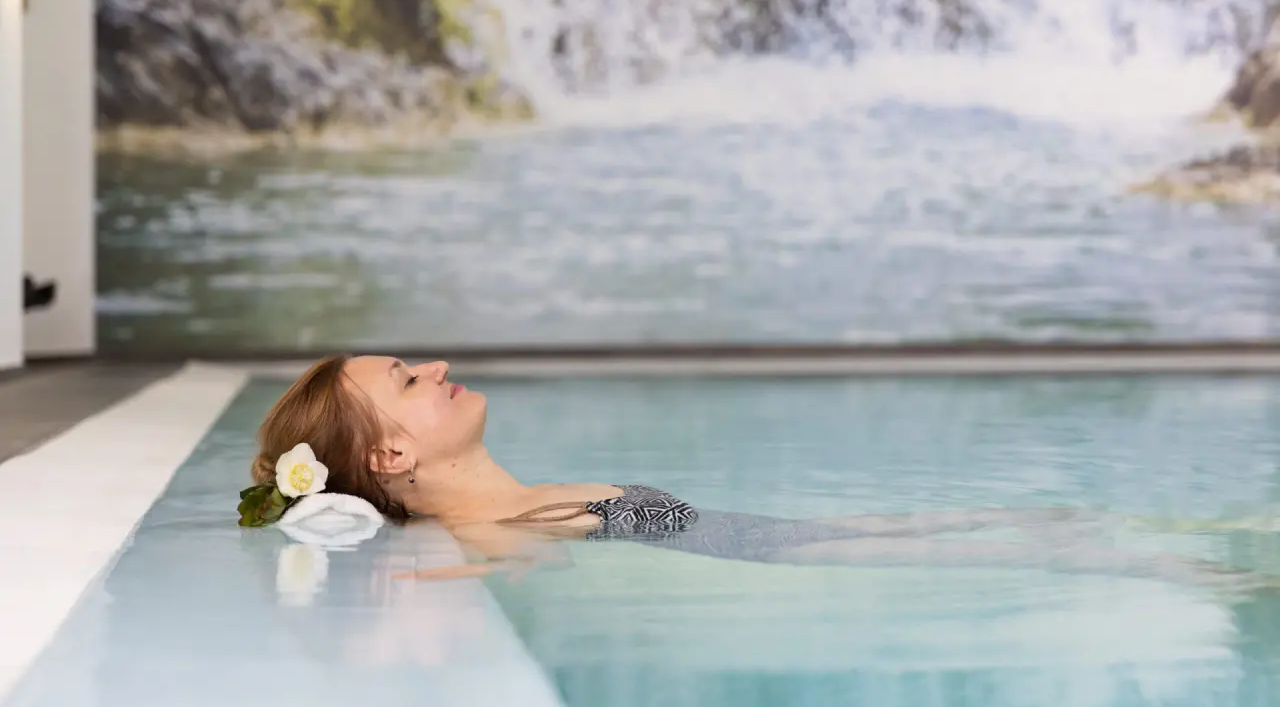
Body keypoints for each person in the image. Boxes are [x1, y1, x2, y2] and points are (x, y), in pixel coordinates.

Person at [249, 355, 1274, 591]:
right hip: (782, 554)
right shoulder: (497, 525)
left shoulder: (520, 497)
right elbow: (494, 565)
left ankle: (1210, 555)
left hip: (774, 535)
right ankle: (1211, 572)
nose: (433, 366)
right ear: (392, 456)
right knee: (1048, 549)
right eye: (406, 378)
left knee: (1041, 515)